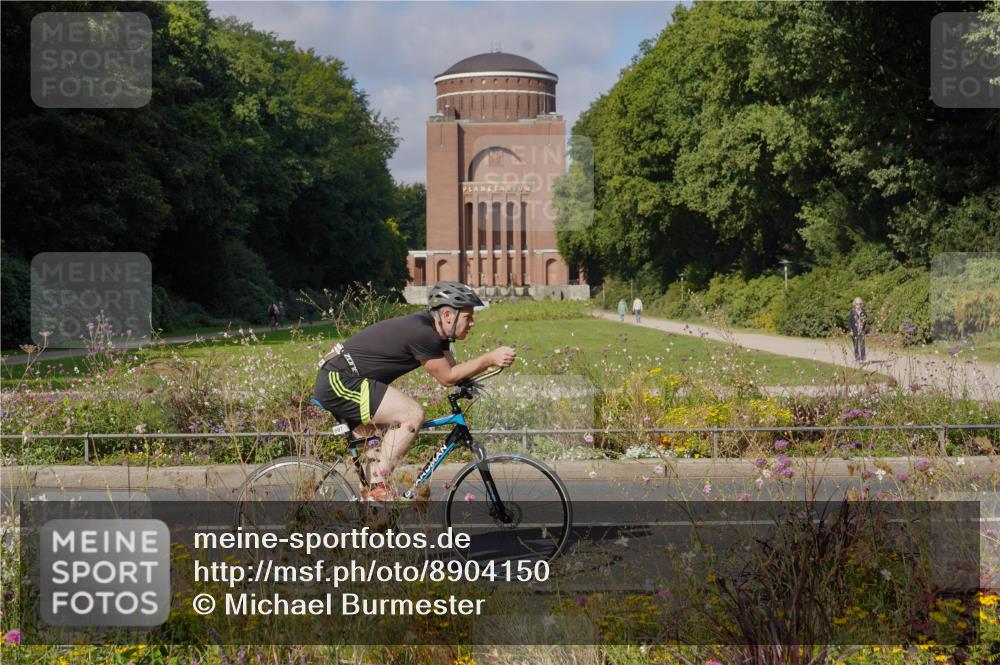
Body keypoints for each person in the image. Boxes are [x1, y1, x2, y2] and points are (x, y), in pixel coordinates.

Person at [313, 281, 517, 501]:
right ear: (448, 315)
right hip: (339, 381)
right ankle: (378, 487)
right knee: (412, 415)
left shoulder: (436, 334)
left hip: (351, 380)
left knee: (376, 452)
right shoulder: (423, 333)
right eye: (468, 317)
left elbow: (455, 372)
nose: (472, 322)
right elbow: (448, 377)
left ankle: (373, 508)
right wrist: (489, 358)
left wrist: (471, 380)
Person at [848, 297, 869, 364]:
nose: (858, 305)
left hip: (861, 331)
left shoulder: (863, 312)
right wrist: (850, 330)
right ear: (854, 304)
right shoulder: (852, 312)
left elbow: (866, 321)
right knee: (856, 345)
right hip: (854, 331)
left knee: (862, 344)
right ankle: (857, 358)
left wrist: (864, 329)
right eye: (857, 304)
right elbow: (849, 322)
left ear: (861, 304)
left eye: (860, 304)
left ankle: (863, 358)